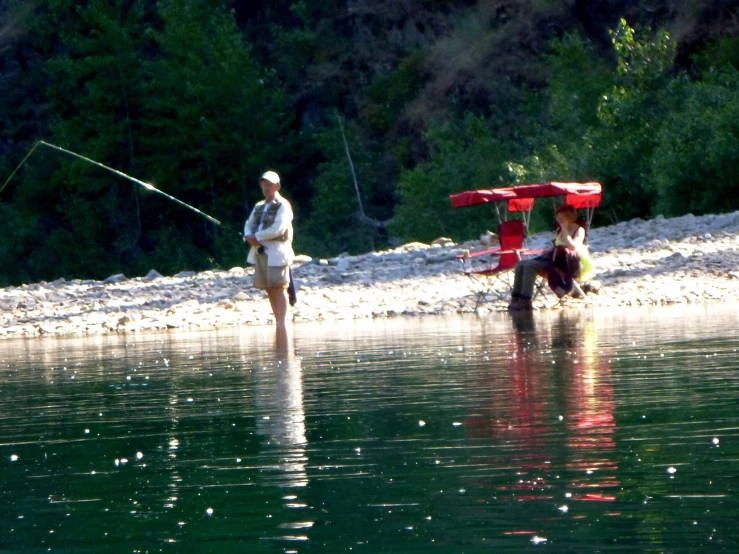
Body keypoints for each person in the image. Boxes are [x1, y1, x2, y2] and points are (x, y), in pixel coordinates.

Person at [508, 203, 593, 311]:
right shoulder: (559, 231)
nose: (559, 221)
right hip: (554, 257)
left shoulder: (579, 230)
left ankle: (526, 299)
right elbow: (556, 244)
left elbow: (572, 247)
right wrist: (551, 248)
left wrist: (565, 230)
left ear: (569, 217)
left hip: (566, 262)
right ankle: (516, 297)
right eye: (558, 218)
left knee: (530, 266)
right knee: (521, 264)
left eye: (562, 218)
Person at [244, 170, 295, 327]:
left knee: (279, 287)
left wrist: (256, 237)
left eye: (269, 185)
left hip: (277, 252)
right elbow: (249, 223)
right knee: (269, 288)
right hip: (260, 251)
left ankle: (282, 322)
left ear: (277, 186)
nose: (266, 188)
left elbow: (278, 229)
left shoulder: (283, 205)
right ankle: (278, 321)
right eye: (264, 185)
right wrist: (248, 236)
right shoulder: (259, 206)